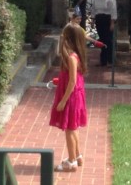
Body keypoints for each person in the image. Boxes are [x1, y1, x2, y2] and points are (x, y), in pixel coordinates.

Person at [49, 23, 88, 172]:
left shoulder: (71, 58)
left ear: (68, 38)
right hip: (75, 96)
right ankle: (77, 156)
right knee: (74, 127)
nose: (62, 38)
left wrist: (63, 101)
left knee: (70, 129)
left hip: (71, 98)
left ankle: (71, 162)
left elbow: (72, 82)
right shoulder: (75, 56)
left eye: (63, 36)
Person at [91, 0, 117, 66]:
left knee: (109, 40)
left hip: (107, 19)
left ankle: (111, 61)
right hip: (99, 20)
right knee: (102, 40)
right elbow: (93, 9)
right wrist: (92, 20)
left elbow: (113, 10)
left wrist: (112, 23)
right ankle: (103, 61)